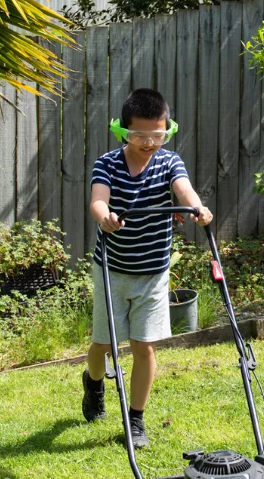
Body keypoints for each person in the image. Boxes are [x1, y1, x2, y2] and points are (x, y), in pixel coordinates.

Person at [82, 88, 212, 448]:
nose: (149, 143)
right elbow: (97, 200)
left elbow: (184, 190)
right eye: (140, 135)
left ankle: (135, 420)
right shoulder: (107, 164)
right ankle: (94, 383)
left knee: (144, 346)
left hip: (153, 273)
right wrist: (105, 217)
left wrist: (197, 208)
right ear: (124, 131)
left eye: (158, 135)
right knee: (103, 343)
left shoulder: (170, 162)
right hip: (112, 269)